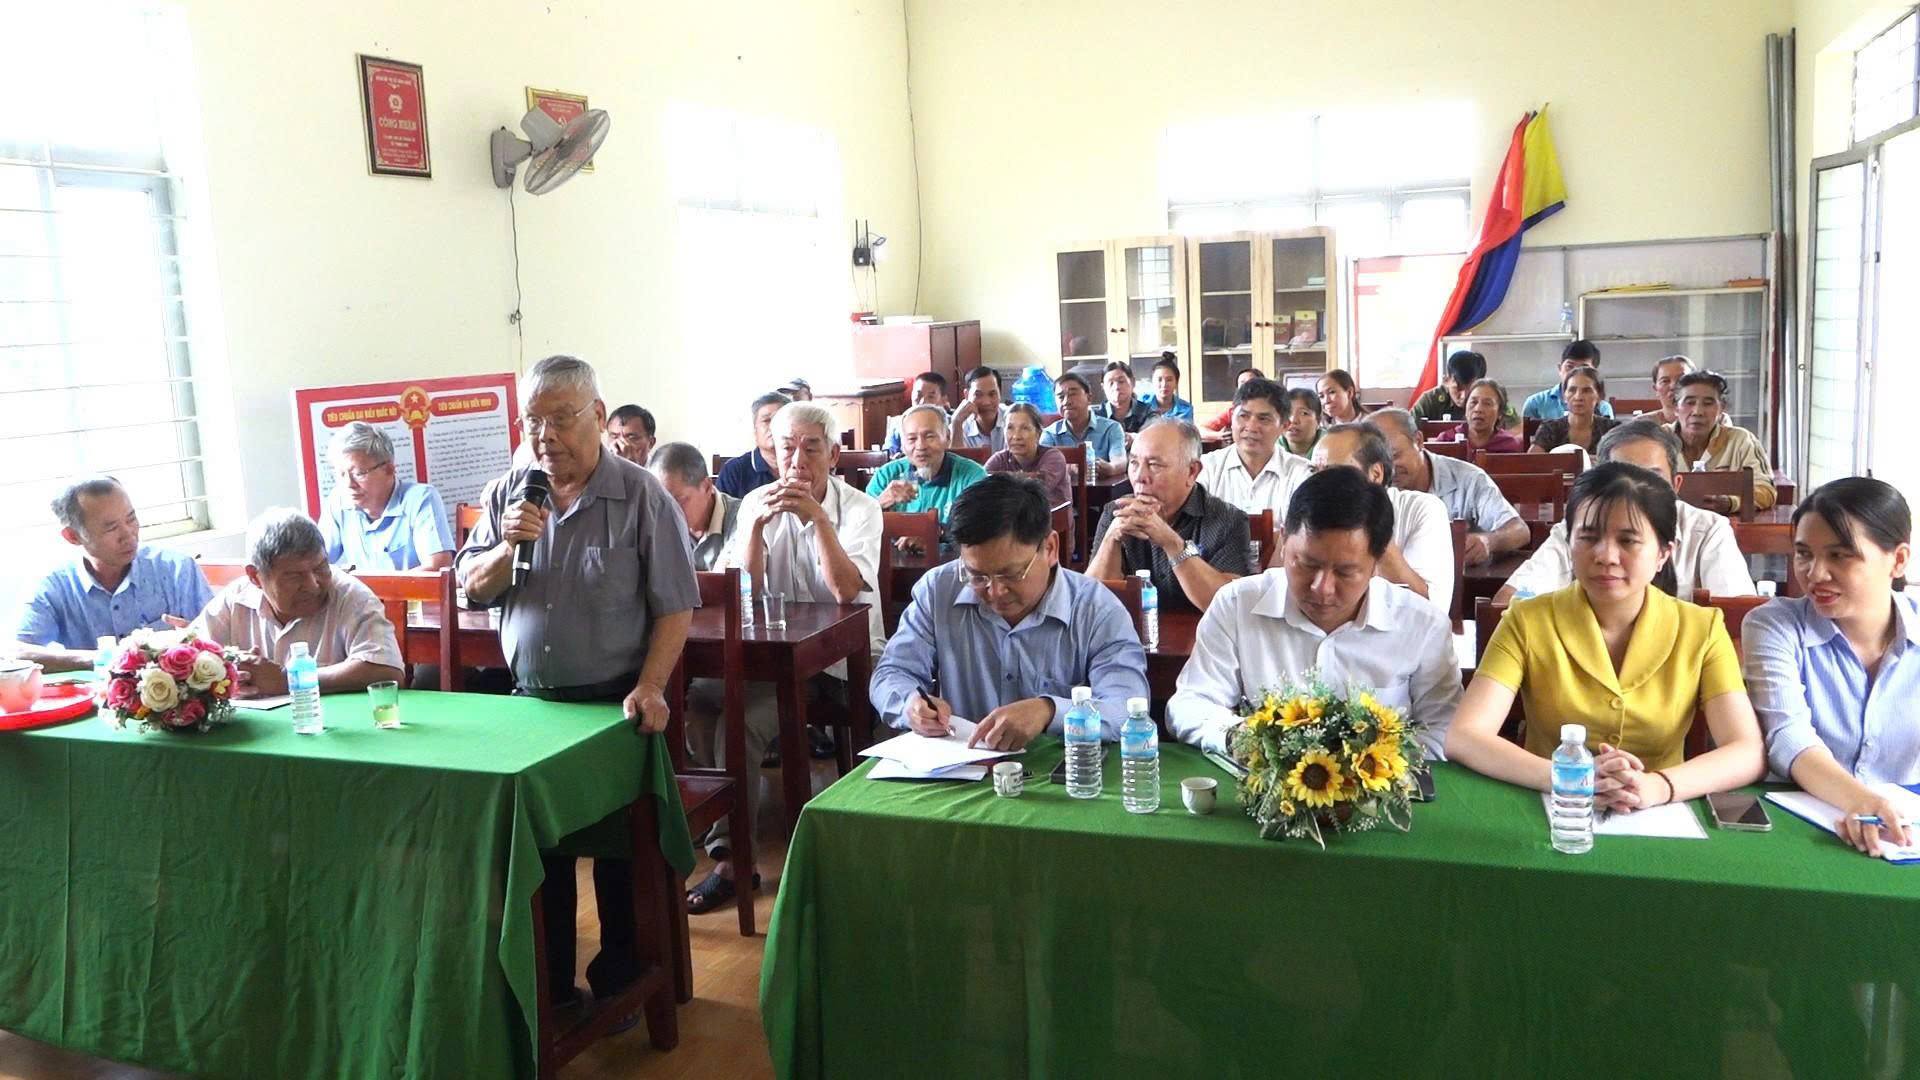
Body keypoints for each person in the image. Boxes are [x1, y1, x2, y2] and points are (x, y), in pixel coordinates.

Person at [454, 354, 698, 1012]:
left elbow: (676, 605)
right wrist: (506, 547)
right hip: (532, 707)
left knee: (618, 859)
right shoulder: (510, 493)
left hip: (613, 708)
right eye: (533, 422)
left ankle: (620, 983)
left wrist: (652, 686)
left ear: (597, 415)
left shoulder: (642, 496)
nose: (546, 436)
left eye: (561, 419)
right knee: (541, 852)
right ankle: (553, 988)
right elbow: (470, 590)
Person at [1446, 462, 1766, 807]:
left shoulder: (1701, 629)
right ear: (1569, 543)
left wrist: (1656, 787)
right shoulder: (1527, 620)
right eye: (1589, 537)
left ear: (1663, 553)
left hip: (1661, 812)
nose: (1606, 556)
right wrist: (1568, 777)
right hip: (1550, 807)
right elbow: (1465, 736)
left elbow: (1747, 751)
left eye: (1628, 540)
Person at [691, 401, 886, 911]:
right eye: (786, 449)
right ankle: (723, 831)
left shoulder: (861, 509)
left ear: (834, 455)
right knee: (697, 700)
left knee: (739, 722)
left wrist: (818, 520)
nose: (797, 461)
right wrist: (756, 528)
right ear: (771, 455)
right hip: (773, 658)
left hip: (841, 660)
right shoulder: (755, 502)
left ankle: (733, 860)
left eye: (811, 448)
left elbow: (846, 591)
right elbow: (740, 592)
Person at [1167, 467, 1462, 759]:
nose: (1322, 588)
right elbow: (1191, 704)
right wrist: (1240, 737)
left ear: (1377, 561)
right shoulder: (1237, 604)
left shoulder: (1422, 625)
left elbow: (1445, 730)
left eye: (1345, 572)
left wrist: (1371, 763)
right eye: (1307, 564)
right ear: (1284, 542)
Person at [871, 475, 1148, 749]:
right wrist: (910, 704)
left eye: (1011, 574)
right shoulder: (938, 591)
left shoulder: (1097, 609)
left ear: (1050, 548)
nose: (995, 591)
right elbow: (891, 673)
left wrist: (1049, 711)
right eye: (977, 576)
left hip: (1066, 770)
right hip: (963, 766)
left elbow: (1126, 707)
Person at [1745, 478, 1916, 856]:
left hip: (1906, 831)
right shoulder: (1774, 625)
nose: (1815, 573)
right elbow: (1789, 735)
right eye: (1803, 554)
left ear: (1899, 560)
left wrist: (1880, 809)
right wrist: (1863, 802)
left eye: (1840, 555)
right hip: (1801, 832)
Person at [1496, 420, 1755, 604]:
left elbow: (1736, 614)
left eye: (1653, 479)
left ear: (1676, 485)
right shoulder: (1578, 531)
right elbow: (1511, 600)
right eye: (1620, 479)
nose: (1635, 491)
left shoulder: (1709, 530)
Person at [192, 508, 405, 697]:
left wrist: (290, 680)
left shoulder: (351, 597)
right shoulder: (235, 600)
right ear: (255, 577)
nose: (313, 585)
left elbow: (387, 670)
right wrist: (235, 672)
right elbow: (188, 656)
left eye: (320, 567)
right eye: (294, 576)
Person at [7, 476, 212, 672]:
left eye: (131, 519)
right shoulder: (55, 585)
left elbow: (219, 644)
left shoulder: (177, 569)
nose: (128, 534)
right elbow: (14, 653)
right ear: (73, 536)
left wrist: (199, 640)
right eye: (111, 528)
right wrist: (103, 659)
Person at [1087, 418, 1252, 612]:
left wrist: (1171, 542)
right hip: (1133, 630)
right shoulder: (1116, 512)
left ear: (1192, 472)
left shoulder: (1229, 521)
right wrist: (1111, 539)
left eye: (1154, 465)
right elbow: (1090, 604)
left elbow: (1230, 606)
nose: (1139, 476)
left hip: (1204, 630)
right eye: (1134, 462)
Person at [1311, 424, 1454, 617]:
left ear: (1375, 475)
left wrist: (1371, 521)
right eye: (1314, 472)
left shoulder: (1421, 509)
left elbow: (1430, 612)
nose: (1318, 484)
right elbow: (1279, 588)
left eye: (1333, 473)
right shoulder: (1305, 513)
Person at [1372, 409, 1528, 565]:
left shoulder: (1467, 478)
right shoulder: (1369, 483)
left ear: (1418, 441)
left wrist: (1489, 541)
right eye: (1378, 462)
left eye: (1395, 456)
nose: (1389, 469)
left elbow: (1520, 530)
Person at [318, 422, 455, 572]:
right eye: (340, 474)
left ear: (389, 469)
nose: (348, 484)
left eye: (358, 473)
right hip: (361, 588)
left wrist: (380, 586)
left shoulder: (420, 498)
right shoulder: (338, 501)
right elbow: (316, 561)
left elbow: (438, 567)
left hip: (410, 589)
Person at [1196, 376, 1313, 518]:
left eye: (1263, 419)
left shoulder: (1301, 474)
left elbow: (1304, 529)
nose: (1251, 427)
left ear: (1284, 426)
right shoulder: (1205, 468)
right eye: (1243, 416)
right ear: (1231, 418)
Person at [1672, 370, 1776, 513]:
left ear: (1722, 408)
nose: (1698, 411)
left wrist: (1731, 502)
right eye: (1690, 403)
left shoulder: (1741, 441)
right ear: (1676, 408)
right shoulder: (1655, 440)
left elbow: (1766, 490)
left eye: (1708, 403)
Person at [867, 405, 988, 523]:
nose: (921, 446)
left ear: (947, 437)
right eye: (912, 439)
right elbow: (861, 525)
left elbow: (980, 527)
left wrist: (934, 531)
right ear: (902, 445)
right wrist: (880, 504)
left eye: (929, 437)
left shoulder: (972, 477)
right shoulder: (886, 475)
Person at [650, 441, 740, 570]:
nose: (666, 512)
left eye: (678, 501)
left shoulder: (743, 518)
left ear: (707, 487)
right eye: (658, 502)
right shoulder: (652, 520)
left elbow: (736, 579)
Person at [985, 403, 1071, 512]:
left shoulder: (1054, 457)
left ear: (1038, 433)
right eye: (1010, 428)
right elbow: (981, 483)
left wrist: (998, 479)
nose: (1016, 436)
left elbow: (1037, 487)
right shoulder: (1000, 458)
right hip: (1011, 519)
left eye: (1025, 428)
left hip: (1051, 519)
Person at [1041, 373, 1126, 482]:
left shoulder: (1111, 428)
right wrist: (1071, 468)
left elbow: (1120, 461)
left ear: (1089, 398)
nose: (1066, 401)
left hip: (1101, 491)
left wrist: (1110, 468)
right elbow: (1043, 467)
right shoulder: (1050, 434)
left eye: (1073, 394)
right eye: (1061, 397)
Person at [1407, 350, 1515, 430]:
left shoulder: (1493, 398)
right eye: (1458, 388)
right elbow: (1406, 431)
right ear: (1446, 380)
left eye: (1470, 388)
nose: (1463, 396)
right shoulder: (1430, 400)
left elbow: (1517, 430)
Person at [715, 391, 790, 498]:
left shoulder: (803, 465)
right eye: (766, 420)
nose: (774, 426)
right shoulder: (735, 471)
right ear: (755, 431)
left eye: (779, 419)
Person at [1529, 366, 1619, 454]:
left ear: (1600, 396)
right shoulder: (1550, 429)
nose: (1578, 397)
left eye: (1586, 391)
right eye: (1572, 390)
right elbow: (1531, 460)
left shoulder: (1612, 430)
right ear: (1564, 396)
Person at [1521, 340, 1616, 421]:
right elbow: (1526, 436)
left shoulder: (1603, 408)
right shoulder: (1535, 403)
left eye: (1583, 368)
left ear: (1595, 373)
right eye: (1569, 367)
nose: (1575, 373)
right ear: (1559, 369)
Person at [882, 371, 950, 456]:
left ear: (943, 400)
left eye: (931, 397)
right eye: (919, 395)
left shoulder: (950, 424)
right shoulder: (898, 424)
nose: (922, 402)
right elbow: (887, 454)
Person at [1452, 378, 1527, 452]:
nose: (1478, 409)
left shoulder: (1509, 446)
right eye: (1473, 402)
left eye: (1487, 404)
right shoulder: (1449, 440)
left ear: (1499, 413)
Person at [947, 366, 1008, 452]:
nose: (986, 402)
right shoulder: (960, 425)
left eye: (992, 394)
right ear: (966, 395)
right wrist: (956, 423)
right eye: (978, 395)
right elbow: (955, 459)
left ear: (1000, 394)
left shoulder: (1012, 418)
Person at [1201, 366, 1260, 441]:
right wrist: (1220, 435)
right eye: (1242, 383)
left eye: (1250, 382)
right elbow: (1201, 430)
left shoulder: (1270, 409)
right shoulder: (1232, 411)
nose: (1246, 387)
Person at [1097, 360, 1155, 435]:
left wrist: (1134, 438)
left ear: (1133, 382)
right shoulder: (1096, 416)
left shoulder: (1147, 412)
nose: (1116, 387)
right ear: (1103, 387)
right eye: (1110, 383)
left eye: (1121, 381)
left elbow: (1152, 436)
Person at [1143, 355, 1194, 421]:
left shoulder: (1185, 409)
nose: (1164, 384)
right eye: (1159, 379)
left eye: (1169, 380)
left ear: (1176, 382)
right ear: (1152, 381)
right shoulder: (1141, 404)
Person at [1279, 388, 1323, 457]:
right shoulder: (1270, 448)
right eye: (1288, 412)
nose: (1293, 420)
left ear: (1318, 420)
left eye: (1304, 413)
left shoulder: (1332, 447)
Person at [1650, 355, 1694, 425]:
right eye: (1665, 381)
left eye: (1681, 379)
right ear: (1656, 389)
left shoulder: (1710, 423)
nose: (1673, 386)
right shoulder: (1641, 425)